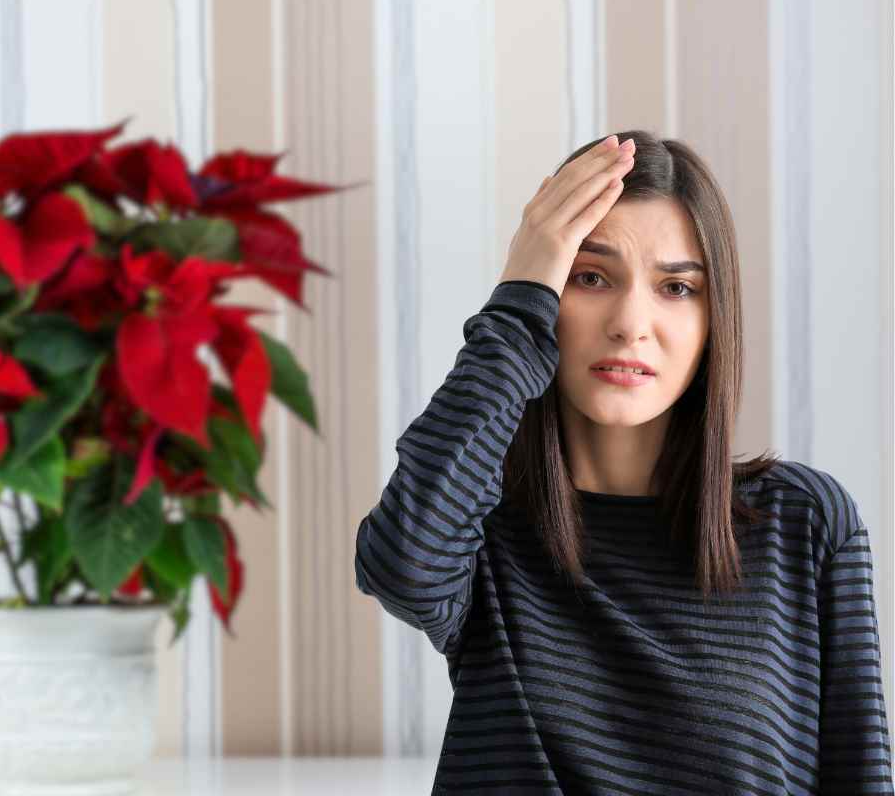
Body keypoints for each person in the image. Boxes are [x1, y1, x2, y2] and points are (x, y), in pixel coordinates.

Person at [354, 130, 893, 793]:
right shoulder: (481, 528)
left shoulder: (805, 522)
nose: (630, 323)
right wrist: (519, 304)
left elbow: (860, 775)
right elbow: (402, 565)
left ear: (714, 322)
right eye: (590, 277)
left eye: (677, 287)